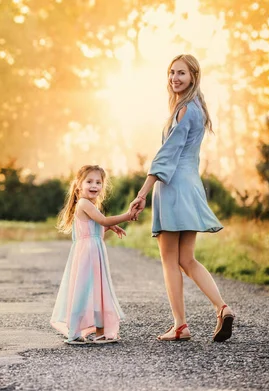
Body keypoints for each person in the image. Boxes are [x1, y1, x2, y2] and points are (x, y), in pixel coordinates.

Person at [129, 54, 235, 342]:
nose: (175, 78)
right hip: (191, 187)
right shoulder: (198, 109)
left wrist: (142, 193)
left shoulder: (184, 110)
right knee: (187, 259)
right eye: (171, 73)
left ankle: (180, 325)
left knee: (169, 260)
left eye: (181, 73)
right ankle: (222, 307)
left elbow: (166, 157)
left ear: (193, 77)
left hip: (174, 187)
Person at [51, 164, 134, 344]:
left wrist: (109, 227)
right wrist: (126, 216)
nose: (94, 185)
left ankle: (100, 332)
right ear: (78, 185)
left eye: (98, 182)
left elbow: (97, 230)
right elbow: (102, 220)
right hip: (87, 254)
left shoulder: (91, 205)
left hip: (94, 252)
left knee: (98, 291)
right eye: (89, 181)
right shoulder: (83, 203)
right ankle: (74, 332)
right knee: (83, 290)